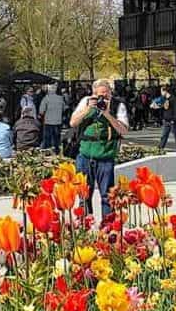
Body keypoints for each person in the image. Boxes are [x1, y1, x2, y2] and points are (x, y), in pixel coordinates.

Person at [69, 78, 129, 217]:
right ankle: (85, 223)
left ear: (111, 93)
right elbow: (73, 123)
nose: (103, 98)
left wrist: (107, 114)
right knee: (83, 195)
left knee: (107, 196)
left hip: (105, 156)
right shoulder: (86, 102)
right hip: (85, 155)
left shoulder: (118, 105)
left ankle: (108, 225)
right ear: (93, 93)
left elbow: (124, 130)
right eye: (99, 95)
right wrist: (88, 108)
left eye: (106, 94)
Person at [38, 84, 66, 152]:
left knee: (47, 138)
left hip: (48, 122)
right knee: (57, 138)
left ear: (48, 90)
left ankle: (48, 152)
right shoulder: (60, 98)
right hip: (58, 121)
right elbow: (64, 109)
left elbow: (41, 111)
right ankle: (56, 151)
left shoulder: (46, 98)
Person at [157, 85, 176, 152]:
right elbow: (163, 108)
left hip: (172, 121)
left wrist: (174, 119)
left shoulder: (173, 98)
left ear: (165, 91)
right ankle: (160, 148)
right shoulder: (164, 99)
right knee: (164, 135)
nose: (161, 93)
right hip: (166, 120)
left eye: (161, 91)